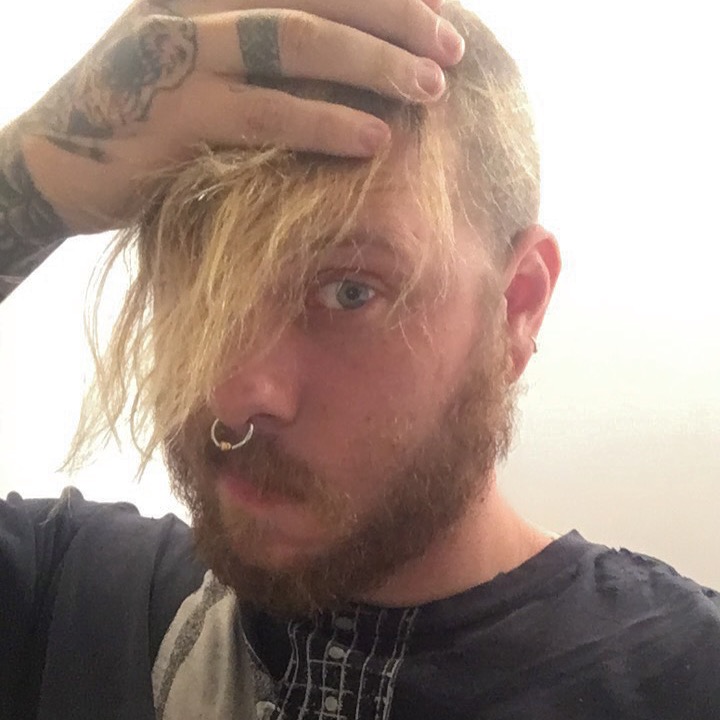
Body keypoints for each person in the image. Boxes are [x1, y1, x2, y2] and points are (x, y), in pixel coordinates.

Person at [1, 0, 718, 718]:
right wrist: (33, 171)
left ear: (518, 305)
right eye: (201, 280)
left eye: (349, 291)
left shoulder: (686, 679)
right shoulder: (71, 601)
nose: (232, 392)